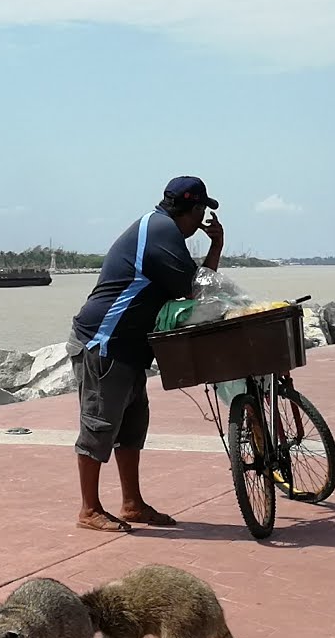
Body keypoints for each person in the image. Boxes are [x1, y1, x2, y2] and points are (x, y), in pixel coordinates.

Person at [67, 177, 225, 532]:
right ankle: (89, 509)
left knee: (131, 428)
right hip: (104, 342)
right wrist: (216, 249)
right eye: (201, 211)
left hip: (131, 348)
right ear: (193, 210)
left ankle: (132, 504)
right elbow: (197, 291)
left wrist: (215, 247)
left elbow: (195, 289)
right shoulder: (161, 232)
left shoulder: (159, 228)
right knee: (98, 427)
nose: (202, 219)